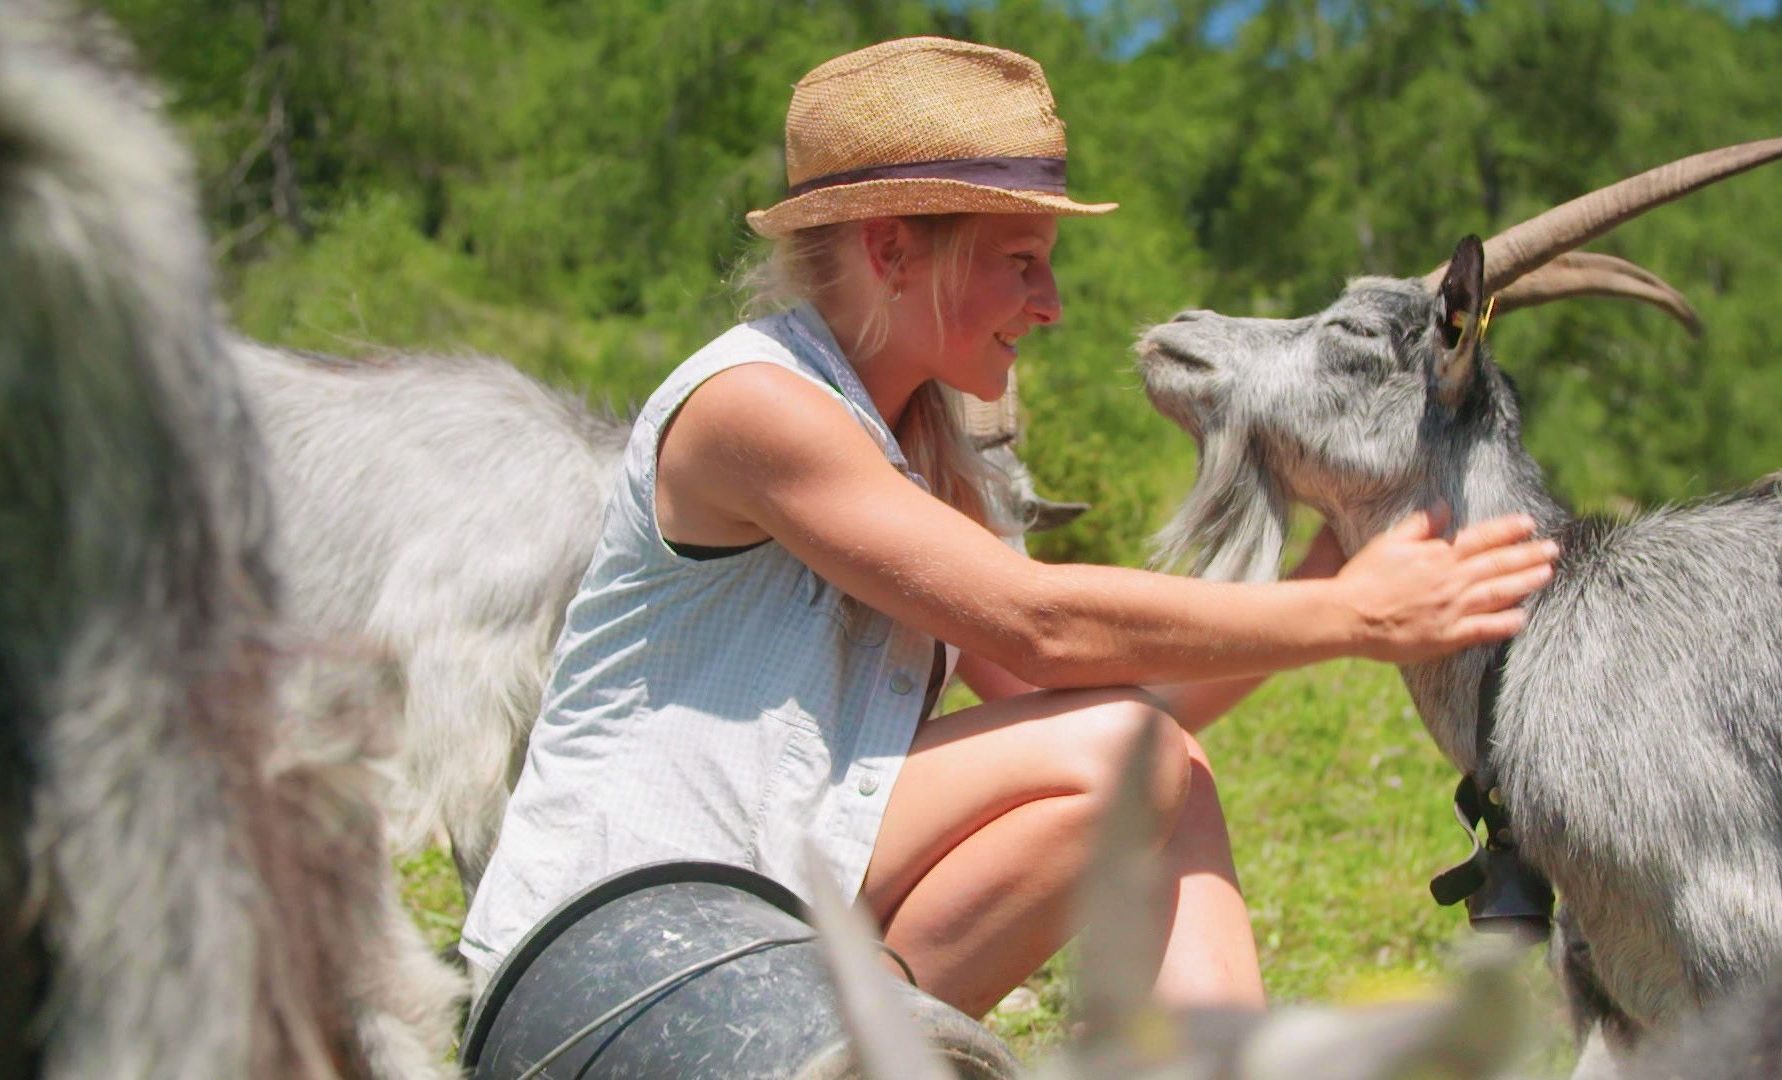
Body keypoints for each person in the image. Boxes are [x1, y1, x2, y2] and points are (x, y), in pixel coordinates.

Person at [459, 36, 1556, 1017]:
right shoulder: (755, 407)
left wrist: (1332, 560)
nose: (1053, 305)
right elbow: (1039, 626)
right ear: (894, 251)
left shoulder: (929, 448)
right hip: (607, 963)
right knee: (1133, 755)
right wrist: (1344, 615)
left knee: (1157, 765)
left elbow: (1079, 697)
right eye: (1020, 262)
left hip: (754, 920)